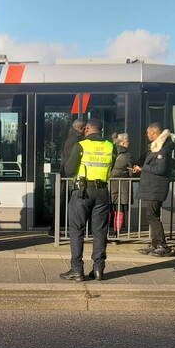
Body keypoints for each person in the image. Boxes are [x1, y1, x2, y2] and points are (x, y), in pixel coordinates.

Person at [60, 118, 114, 282]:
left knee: (77, 230)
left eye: (85, 129)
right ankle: (98, 270)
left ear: (88, 129)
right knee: (100, 231)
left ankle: (77, 270)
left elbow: (69, 170)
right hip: (102, 191)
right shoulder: (110, 146)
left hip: (82, 192)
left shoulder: (81, 145)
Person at [134, 124, 174, 256]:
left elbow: (161, 169)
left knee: (153, 217)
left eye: (148, 133)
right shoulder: (157, 147)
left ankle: (162, 245)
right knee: (151, 216)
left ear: (155, 133)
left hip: (155, 188)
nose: (147, 135)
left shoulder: (162, 149)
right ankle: (155, 244)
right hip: (152, 187)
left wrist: (142, 168)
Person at [109, 133, 133, 236]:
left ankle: (106, 232)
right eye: (128, 141)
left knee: (110, 208)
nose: (129, 143)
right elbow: (131, 172)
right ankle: (116, 233)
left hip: (110, 184)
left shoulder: (110, 151)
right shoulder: (127, 155)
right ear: (122, 143)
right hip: (123, 186)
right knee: (120, 209)